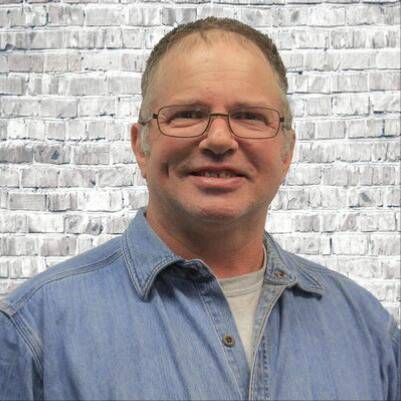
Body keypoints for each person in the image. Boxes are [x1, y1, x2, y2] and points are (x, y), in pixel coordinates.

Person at [0, 17, 399, 401]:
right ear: (141, 146)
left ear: (286, 151)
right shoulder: (33, 330)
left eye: (250, 116)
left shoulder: (370, 332)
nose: (220, 140)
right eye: (188, 115)